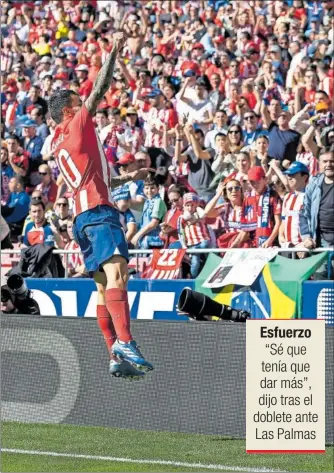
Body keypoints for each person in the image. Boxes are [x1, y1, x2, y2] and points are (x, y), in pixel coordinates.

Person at [49, 32, 153, 379]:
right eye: (78, 104)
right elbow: (99, 90)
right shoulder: (76, 126)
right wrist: (113, 53)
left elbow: (96, 177)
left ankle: (113, 354)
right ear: (68, 111)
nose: (86, 108)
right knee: (118, 274)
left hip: (82, 217)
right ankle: (125, 341)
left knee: (100, 286)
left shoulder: (60, 143)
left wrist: (129, 177)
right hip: (98, 212)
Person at [300, 148, 334, 278]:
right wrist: (306, 237)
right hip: (319, 244)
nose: (329, 164)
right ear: (319, 164)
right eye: (325, 161)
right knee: (321, 287)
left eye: (332, 161)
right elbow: (304, 213)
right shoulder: (313, 185)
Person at [177, 192, 211, 278]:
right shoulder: (181, 218)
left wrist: (198, 207)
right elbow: (180, 232)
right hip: (192, 243)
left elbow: (203, 214)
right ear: (184, 206)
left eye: (192, 205)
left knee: (205, 246)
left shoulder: (199, 214)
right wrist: (184, 245)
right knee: (195, 263)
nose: (190, 208)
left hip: (203, 239)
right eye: (187, 205)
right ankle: (193, 278)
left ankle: (207, 261)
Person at [279, 162, 309, 248]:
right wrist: (280, 236)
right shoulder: (287, 197)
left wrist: (305, 243)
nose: (289, 177)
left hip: (304, 247)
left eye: (293, 175)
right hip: (287, 246)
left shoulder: (309, 197)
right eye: (288, 174)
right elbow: (283, 220)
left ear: (304, 177)